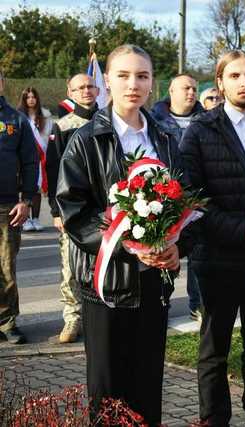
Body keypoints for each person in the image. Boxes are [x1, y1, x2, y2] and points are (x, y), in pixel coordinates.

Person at [56, 44, 191, 425]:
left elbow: (189, 205)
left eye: (143, 76)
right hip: (107, 286)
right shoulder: (85, 140)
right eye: (124, 75)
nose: (133, 84)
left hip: (154, 284)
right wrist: (129, 245)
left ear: (152, 83)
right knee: (108, 391)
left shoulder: (166, 140)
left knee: (147, 384)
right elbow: (74, 211)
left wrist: (176, 246)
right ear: (107, 83)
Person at [179, 50, 245, 427]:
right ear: (220, 82)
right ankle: (214, 419)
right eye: (235, 75)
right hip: (217, 256)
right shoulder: (200, 130)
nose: (244, 82)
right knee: (215, 348)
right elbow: (192, 197)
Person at [46, 73, 100, 344]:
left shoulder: (110, 121)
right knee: (70, 267)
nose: (86, 91)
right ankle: (73, 318)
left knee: (102, 265)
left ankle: (98, 319)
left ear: (98, 89)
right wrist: (56, 210)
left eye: (90, 86)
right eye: (79, 88)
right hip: (73, 209)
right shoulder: (63, 125)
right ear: (71, 92)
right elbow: (54, 169)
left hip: (105, 209)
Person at [151, 73, 205, 323]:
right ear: (171, 91)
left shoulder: (206, 121)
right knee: (165, 252)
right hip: (166, 200)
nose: (191, 93)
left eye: (194, 88)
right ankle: (163, 299)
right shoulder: (154, 120)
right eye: (185, 88)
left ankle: (198, 304)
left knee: (197, 253)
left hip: (197, 198)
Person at [0, 70, 38, 345]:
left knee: (5, 268)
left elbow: (29, 162)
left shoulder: (16, 120)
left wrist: (25, 201)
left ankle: (7, 322)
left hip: (7, 207)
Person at [17, 87, 53, 232]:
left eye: (33, 97)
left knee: (37, 188)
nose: (31, 100)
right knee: (24, 187)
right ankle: (25, 220)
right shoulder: (19, 116)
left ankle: (36, 218)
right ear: (24, 99)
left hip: (40, 157)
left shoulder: (45, 115)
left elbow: (50, 136)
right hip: (24, 158)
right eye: (28, 97)